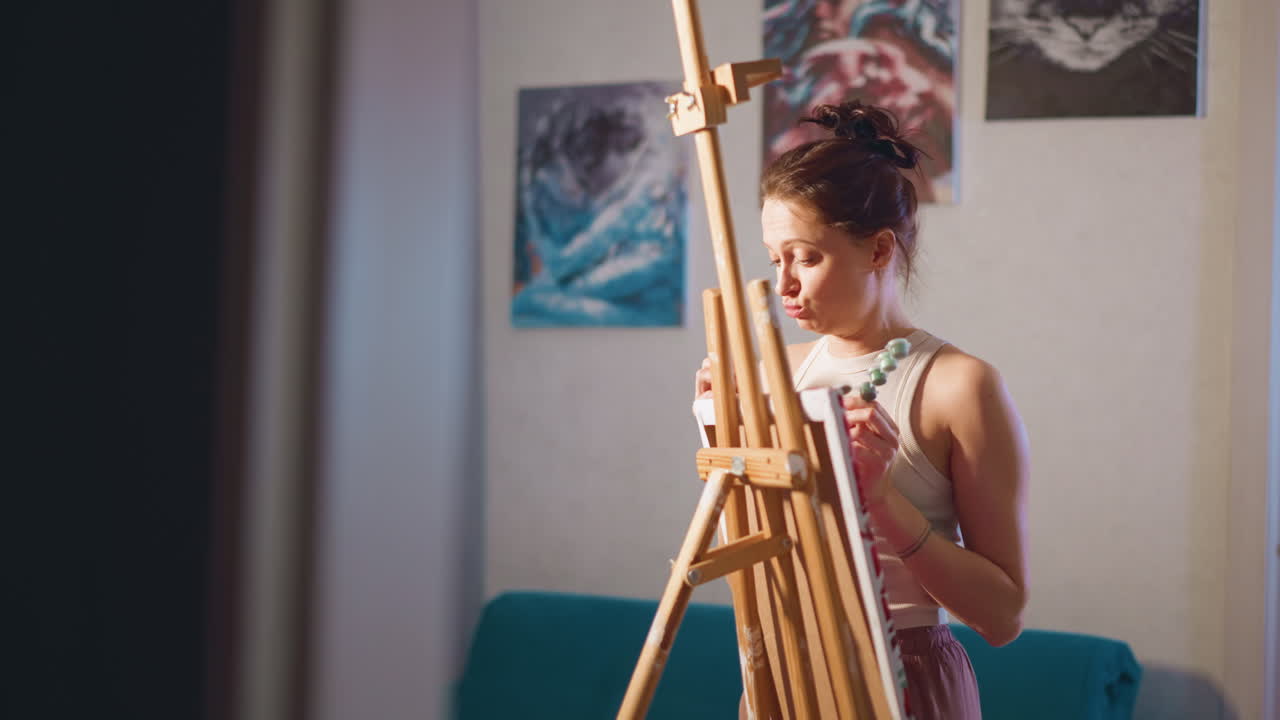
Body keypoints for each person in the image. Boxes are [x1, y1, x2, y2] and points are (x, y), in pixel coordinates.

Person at [694, 100, 1029, 720]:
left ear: (879, 251)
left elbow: (1003, 617)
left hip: (903, 678)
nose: (784, 285)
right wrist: (725, 432)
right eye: (775, 260)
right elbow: (757, 551)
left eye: (807, 257)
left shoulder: (959, 386)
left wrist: (883, 502)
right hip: (785, 675)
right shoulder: (773, 370)